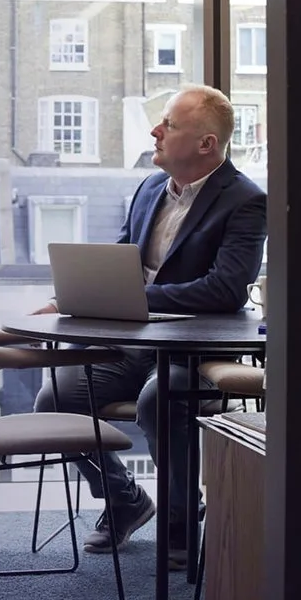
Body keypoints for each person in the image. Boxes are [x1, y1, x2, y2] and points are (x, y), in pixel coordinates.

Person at [30, 83, 266, 564]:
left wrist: (133, 296)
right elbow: (121, 260)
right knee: (55, 398)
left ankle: (180, 516)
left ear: (206, 144)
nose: (155, 132)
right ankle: (124, 498)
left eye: (170, 125)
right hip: (133, 341)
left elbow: (223, 289)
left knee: (159, 400)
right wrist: (72, 295)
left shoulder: (245, 200)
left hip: (194, 350)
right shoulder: (148, 188)